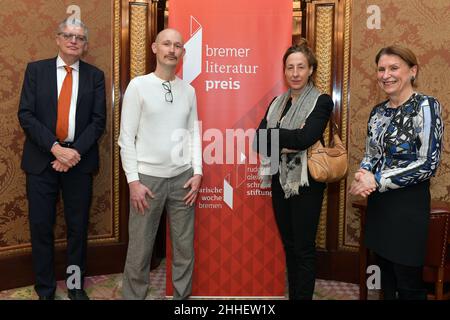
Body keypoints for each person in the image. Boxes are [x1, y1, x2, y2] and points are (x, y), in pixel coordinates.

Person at [18, 18, 106, 300]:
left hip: (78, 163)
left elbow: (97, 121)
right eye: (68, 35)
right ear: (57, 39)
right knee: (41, 227)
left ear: (86, 45)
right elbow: (26, 115)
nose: (73, 40)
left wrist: (72, 153)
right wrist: (56, 149)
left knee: (77, 228)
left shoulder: (95, 76)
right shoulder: (36, 71)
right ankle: (44, 289)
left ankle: (75, 285)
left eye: (79, 37)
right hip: (42, 160)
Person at [349, 45, 444, 300]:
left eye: (393, 68)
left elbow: (428, 163)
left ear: (412, 71)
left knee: (409, 283)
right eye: (381, 69)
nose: (385, 75)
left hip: (408, 207)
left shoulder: (426, 106)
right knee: (385, 280)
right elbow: (371, 154)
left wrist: (377, 179)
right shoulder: (377, 112)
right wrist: (363, 173)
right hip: (379, 205)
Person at [118, 28, 202, 300]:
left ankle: (182, 300)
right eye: (166, 43)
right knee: (140, 250)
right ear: (155, 48)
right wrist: (133, 182)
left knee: (184, 249)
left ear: (183, 53)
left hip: (183, 180)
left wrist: (198, 171)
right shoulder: (138, 86)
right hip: (146, 182)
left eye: (177, 45)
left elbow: (194, 134)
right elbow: (126, 138)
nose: (172, 49)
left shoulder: (189, 91)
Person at [254, 41, 333, 300]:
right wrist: (290, 138)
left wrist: (276, 138)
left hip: (307, 182)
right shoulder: (278, 102)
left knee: (304, 248)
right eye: (290, 67)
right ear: (284, 71)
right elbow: (258, 140)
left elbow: (306, 138)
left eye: (301, 67)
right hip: (280, 179)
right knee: (289, 246)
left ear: (311, 70)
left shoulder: (321, 101)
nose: (295, 73)